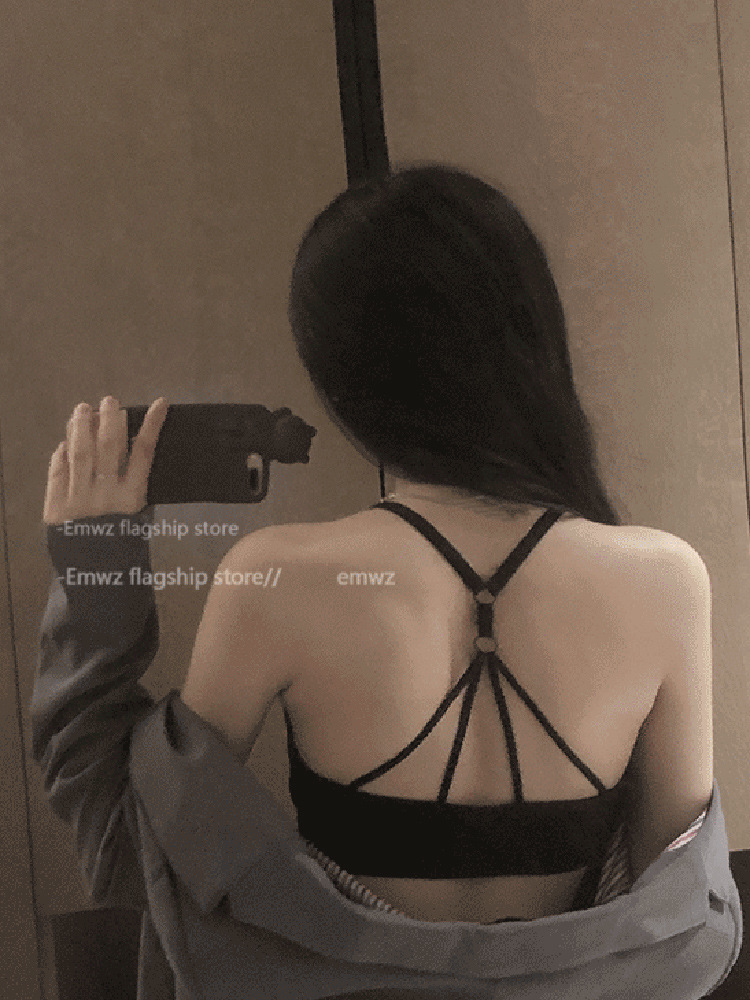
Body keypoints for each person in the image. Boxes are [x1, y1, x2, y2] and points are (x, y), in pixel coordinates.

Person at [32, 162, 740, 999]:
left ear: (342, 376)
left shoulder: (273, 582)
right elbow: (676, 925)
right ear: (533, 338)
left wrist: (97, 564)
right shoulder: (665, 582)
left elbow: (137, 857)